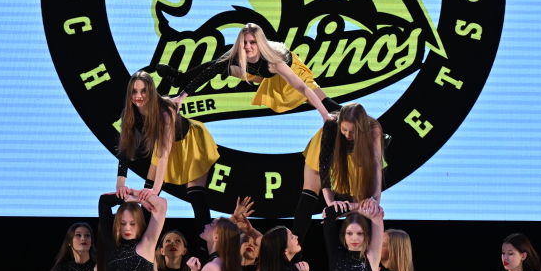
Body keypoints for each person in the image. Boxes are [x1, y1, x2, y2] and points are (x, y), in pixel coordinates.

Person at [165, 23, 339, 119]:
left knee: (323, 102)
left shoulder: (274, 63)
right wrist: (181, 96)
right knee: (218, 65)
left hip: (290, 70)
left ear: (260, 43)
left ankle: (351, 116)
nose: (247, 47)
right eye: (245, 43)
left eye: (253, 42)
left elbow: (303, 88)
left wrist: (324, 115)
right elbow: (208, 72)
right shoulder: (236, 55)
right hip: (262, 75)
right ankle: (180, 79)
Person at [115, 71, 219, 230]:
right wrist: (120, 184)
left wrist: (155, 190)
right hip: (164, 146)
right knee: (146, 198)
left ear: (151, 91)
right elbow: (125, 148)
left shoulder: (165, 111)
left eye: (143, 91)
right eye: (134, 91)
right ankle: (142, 242)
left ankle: (206, 244)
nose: (138, 96)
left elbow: (164, 154)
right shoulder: (129, 114)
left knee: (195, 196)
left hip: (191, 144)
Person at [293, 103, 385, 242]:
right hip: (330, 150)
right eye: (344, 129)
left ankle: (360, 250)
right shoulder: (332, 126)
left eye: (352, 131)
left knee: (362, 201)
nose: (347, 134)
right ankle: (295, 249)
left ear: (361, 128)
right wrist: (331, 202)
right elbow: (324, 165)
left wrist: (375, 200)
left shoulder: (373, 129)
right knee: (309, 191)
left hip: (358, 153)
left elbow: (376, 166)